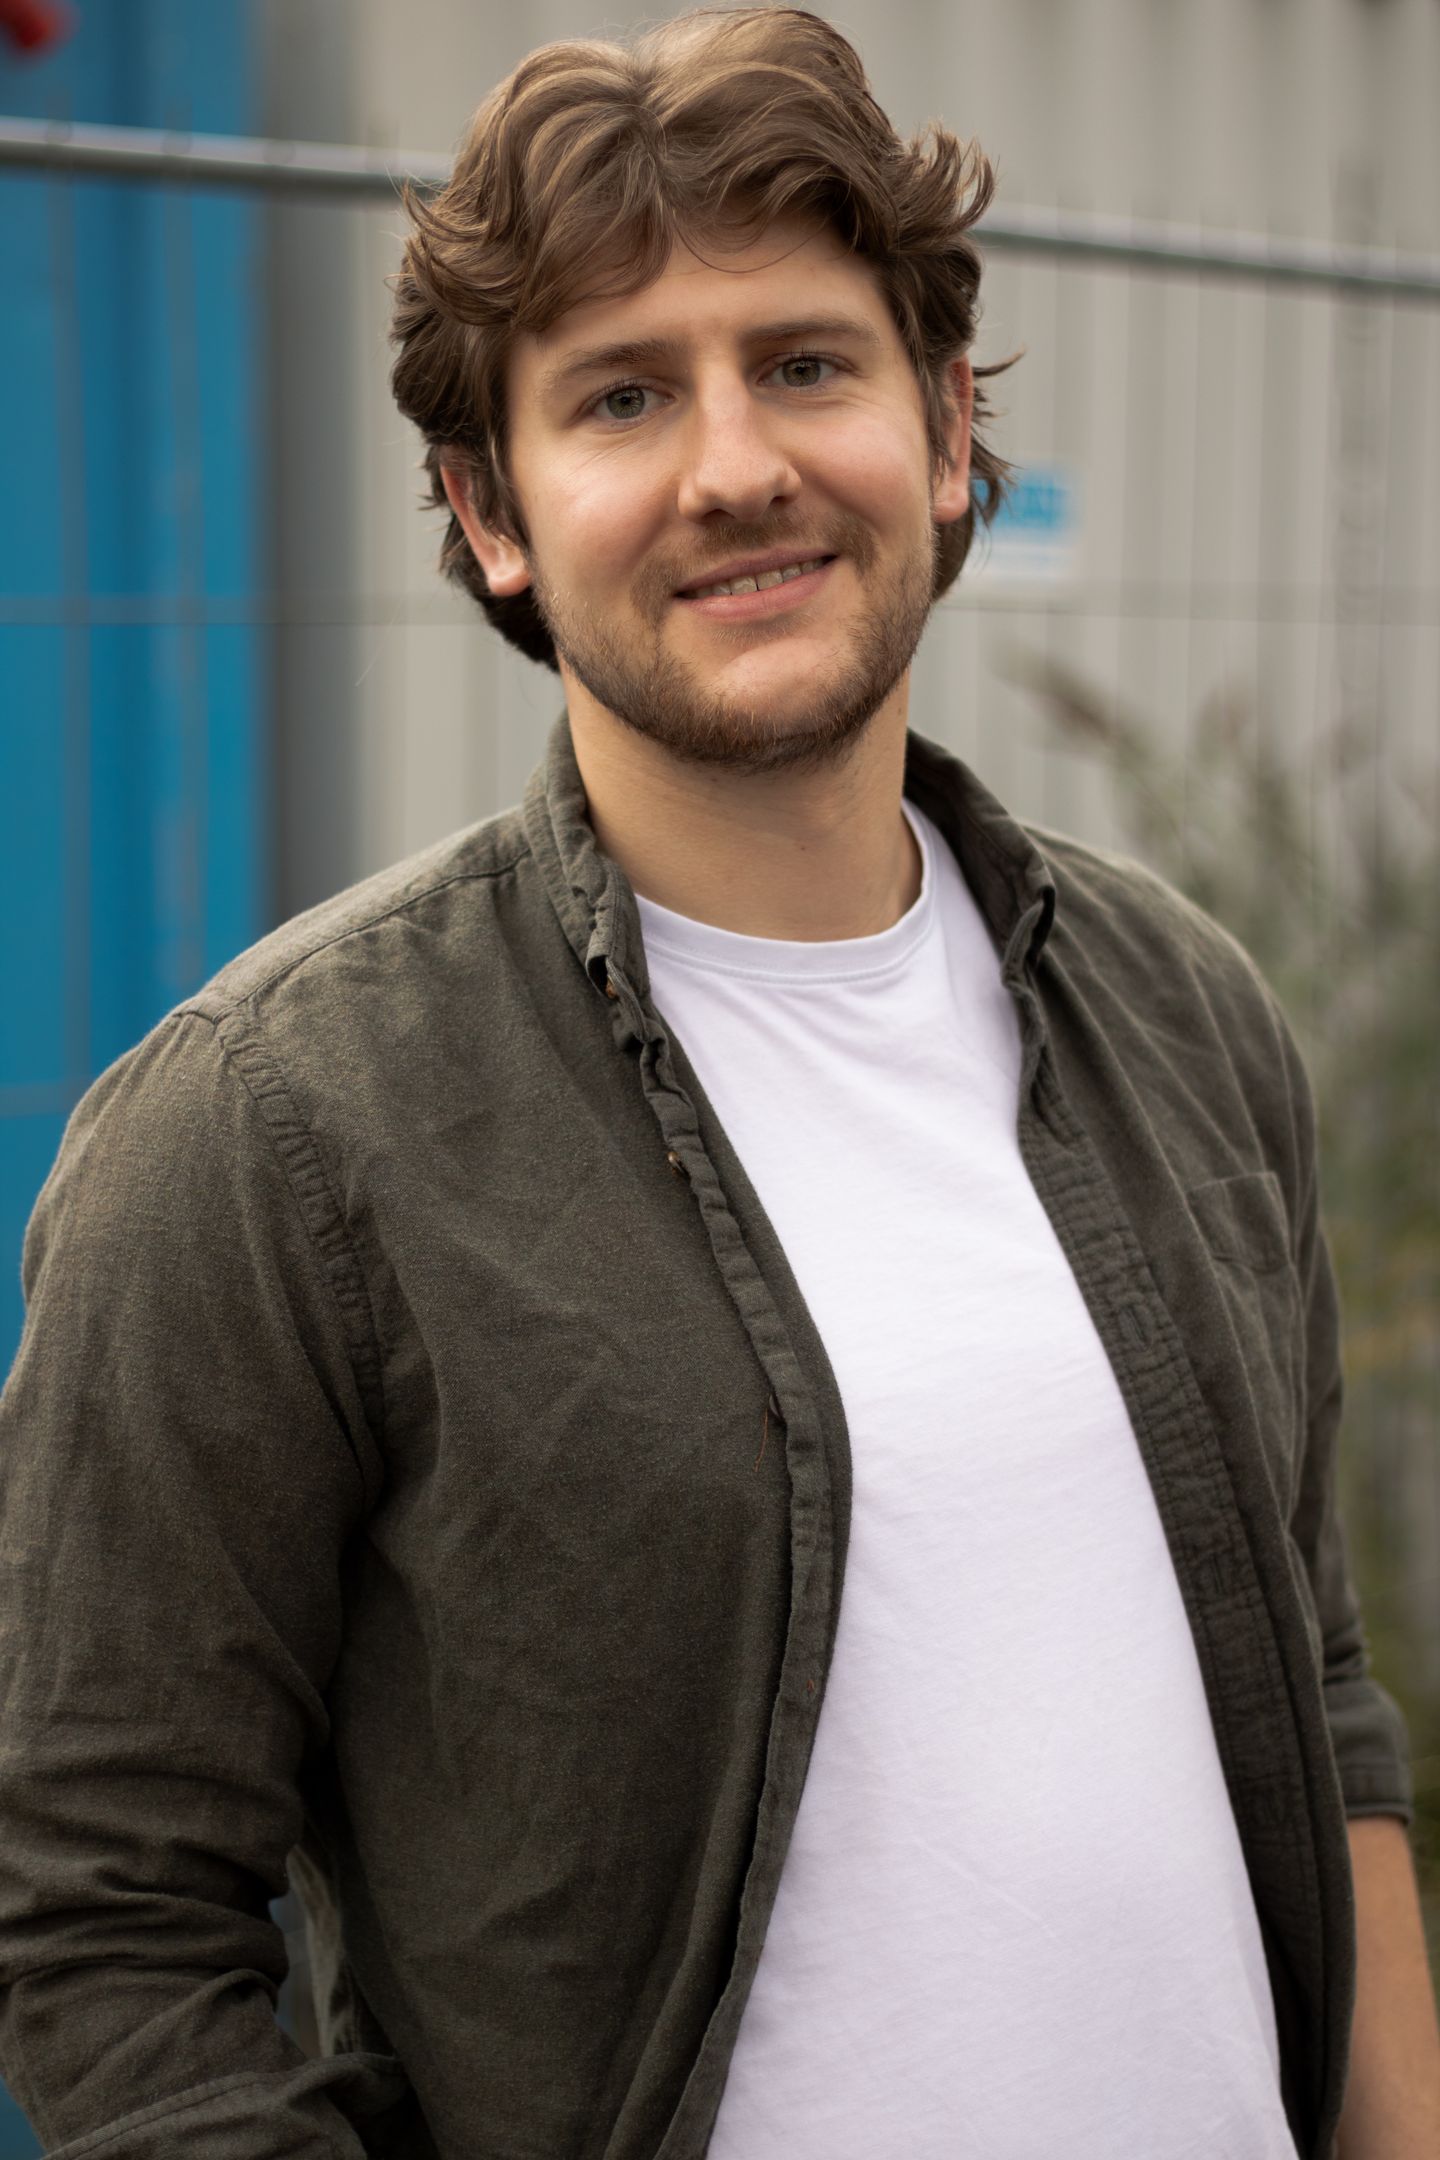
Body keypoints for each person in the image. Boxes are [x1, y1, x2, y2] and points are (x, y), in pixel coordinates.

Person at [0, 8, 1435, 2157]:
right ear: (490, 512)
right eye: (623, 395)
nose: (737, 464)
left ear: (947, 429)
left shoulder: (1184, 1013)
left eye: (806, 363)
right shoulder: (269, 1134)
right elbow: (96, 1911)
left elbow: (1315, 1696)